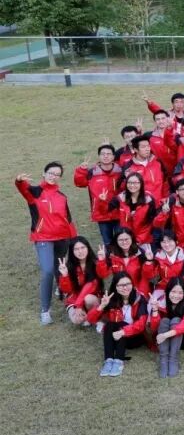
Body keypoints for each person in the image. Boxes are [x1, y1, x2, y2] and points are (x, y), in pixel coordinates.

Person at [15, 162, 79, 325]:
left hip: (62, 237)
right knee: (47, 271)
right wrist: (19, 181)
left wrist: (74, 239)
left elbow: (68, 219)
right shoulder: (35, 192)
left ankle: (62, 290)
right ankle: (45, 310)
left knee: (60, 267)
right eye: (51, 173)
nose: (53, 176)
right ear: (44, 173)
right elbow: (23, 188)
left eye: (57, 174)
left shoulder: (62, 196)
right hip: (43, 237)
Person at [86, 273, 148, 377]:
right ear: (115, 286)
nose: (125, 287)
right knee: (109, 324)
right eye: (121, 285)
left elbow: (141, 324)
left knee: (120, 324)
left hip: (135, 338)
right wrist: (102, 306)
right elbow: (90, 319)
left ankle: (119, 361)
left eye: (128, 284)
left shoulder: (140, 299)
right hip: (117, 337)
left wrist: (124, 331)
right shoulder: (111, 300)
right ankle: (109, 360)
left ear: (132, 284)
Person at [150, 277, 184, 378]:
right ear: (168, 291)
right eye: (173, 291)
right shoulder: (160, 302)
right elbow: (154, 327)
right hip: (165, 335)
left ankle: (173, 358)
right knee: (164, 321)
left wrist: (165, 335)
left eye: (180, 292)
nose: (176, 296)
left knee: (176, 320)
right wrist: (155, 310)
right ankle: (163, 359)